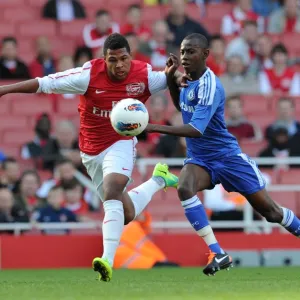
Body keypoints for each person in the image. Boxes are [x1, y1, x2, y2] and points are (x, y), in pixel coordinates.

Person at [0, 33, 183, 282]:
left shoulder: (144, 76)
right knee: (126, 213)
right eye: (113, 60)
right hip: (91, 151)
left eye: (124, 58)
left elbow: (171, 80)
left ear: (130, 56)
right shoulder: (86, 76)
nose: (119, 65)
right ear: (104, 59)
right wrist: (4, 90)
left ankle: (107, 259)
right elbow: (43, 83)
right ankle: (158, 180)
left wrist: (176, 75)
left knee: (112, 189)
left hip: (121, 142)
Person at [146, 33, 300, 276]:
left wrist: (153, 127)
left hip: (227, 158)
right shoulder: (187, 80)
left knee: (271, 213)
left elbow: (196, 129)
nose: (185, 57)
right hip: (200, 159)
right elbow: (182, 108)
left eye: (191, 51)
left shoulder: (210, 85)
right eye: (183, 51)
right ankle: (219, 252)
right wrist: (170, 81)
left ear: (206, 55)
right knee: (185, 187)